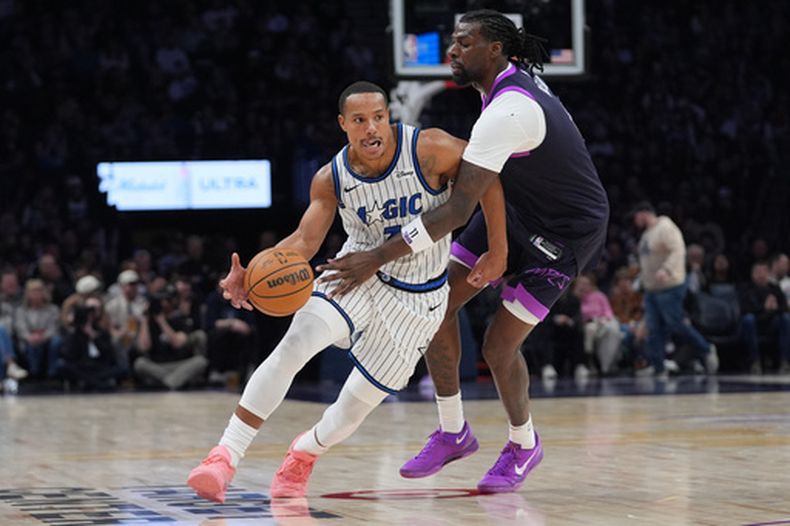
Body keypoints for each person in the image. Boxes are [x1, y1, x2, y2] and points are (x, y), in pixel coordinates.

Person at [319, 10, 610, 493]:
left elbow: (456, 211)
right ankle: (453, 431)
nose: (451, 51)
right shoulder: (503, 85)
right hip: (520, 212)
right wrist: (496, 244)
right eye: (453, 42)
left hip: (564, 233)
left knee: (498, 346)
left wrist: (376, 257)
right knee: (436, 305)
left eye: (463, 43)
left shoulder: (508, 111)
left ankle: (524, 444)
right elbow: (487, 186)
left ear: (494, 49)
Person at [187, 81, 502, 502]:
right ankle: (224, 455)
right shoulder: (331, 177)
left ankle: (303, 452)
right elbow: (303, 242)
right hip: (354, 273)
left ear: (388, 115)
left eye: (378, 117)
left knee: (352, 409)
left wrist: (498, 248)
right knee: (294, 345)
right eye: (359, 120)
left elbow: (487, 176)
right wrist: (254, 271)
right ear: (343, 125)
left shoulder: (430, 148)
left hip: (417, 299)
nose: (371, 128)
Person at [631, 201, 719, 378]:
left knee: (675, 323)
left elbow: (678, 250)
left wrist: (667, 269)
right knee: (654, 329)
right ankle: (658, 367)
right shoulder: (647, 234)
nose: (635, 221)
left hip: (670, 286)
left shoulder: (665, 226)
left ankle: (706, 348)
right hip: (652, 289)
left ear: (643, 213)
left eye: (635, 217)